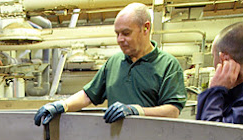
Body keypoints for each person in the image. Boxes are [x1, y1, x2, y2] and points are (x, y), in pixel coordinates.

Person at [34, 2, 187, 126]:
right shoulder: (114, 62)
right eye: (117, 34)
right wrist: (62, 105)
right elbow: (89, 95)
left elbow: (172, 111)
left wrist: (135, 110)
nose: (120, 39)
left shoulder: (168, 65)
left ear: (145, 28)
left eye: (126, 33)